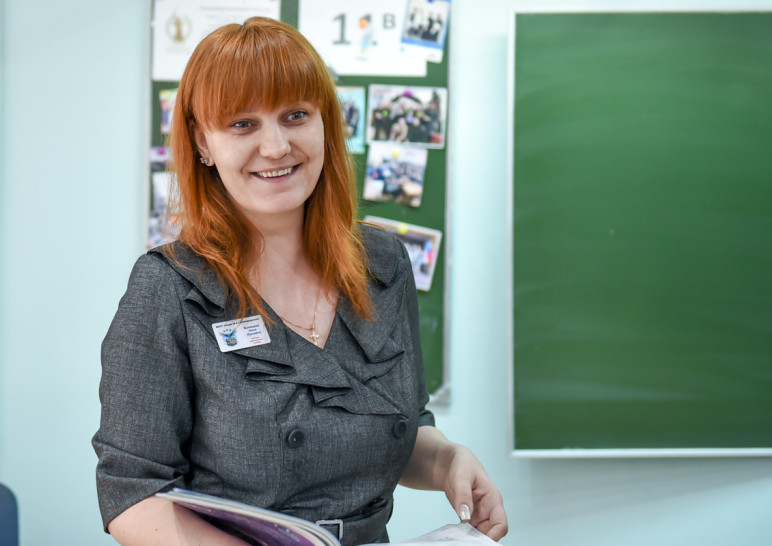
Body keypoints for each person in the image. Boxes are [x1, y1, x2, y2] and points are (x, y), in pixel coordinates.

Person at [92, 17, 507, 546]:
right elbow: (132, 494)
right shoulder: (170, 289)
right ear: (202, 142)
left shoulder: (383, 264)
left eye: (295, 116)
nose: (275, 146)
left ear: (325, 123)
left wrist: (447, 459)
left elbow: (398, 427)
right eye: (243, 124)